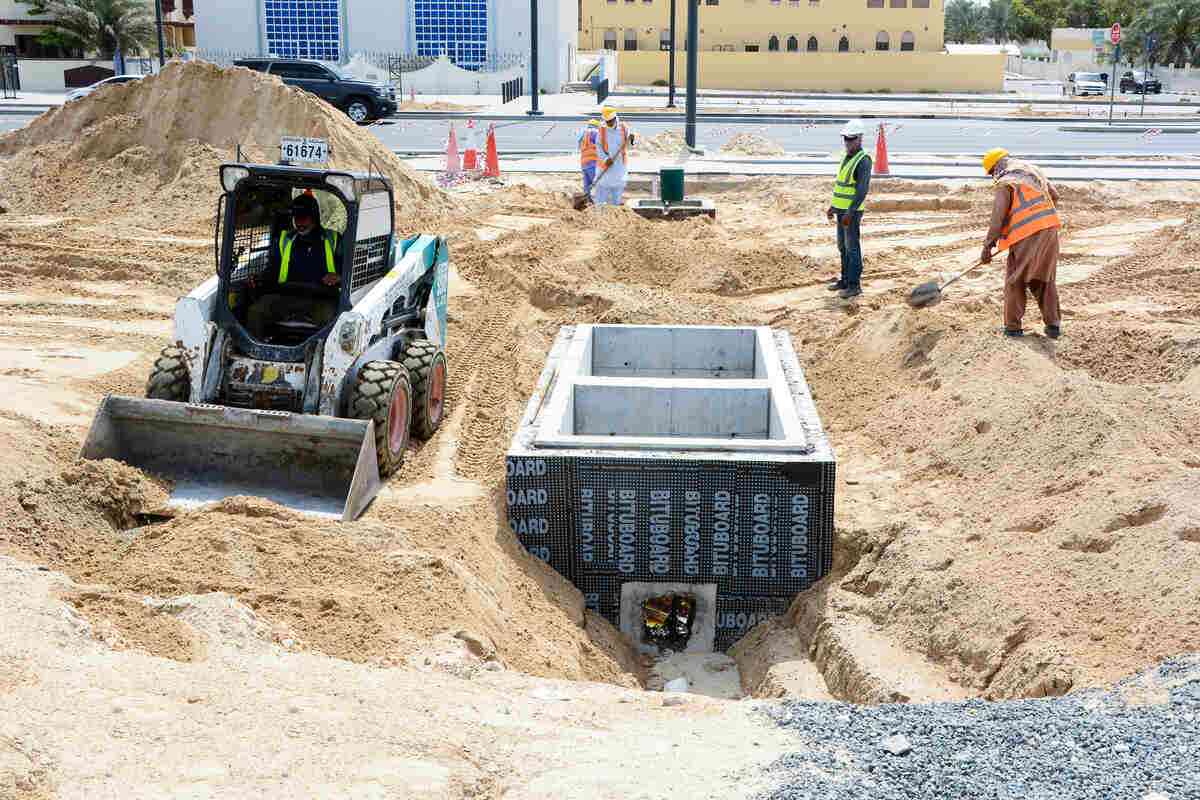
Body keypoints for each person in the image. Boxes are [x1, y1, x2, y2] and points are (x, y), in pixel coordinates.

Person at [979, 148, 1063, 339]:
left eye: (991, 172)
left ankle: (1013, 328)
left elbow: (997, 217)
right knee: (1044, 278)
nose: (993, 176)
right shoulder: (1033, 171)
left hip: (1027, 235)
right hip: (1049, 229)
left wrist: (987, 246)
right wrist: (1040, 218)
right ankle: (1053, 326)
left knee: (1015, 281)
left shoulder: (1006, 181)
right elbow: (1055, 195)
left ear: (996, 167)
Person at [246, 193, 343, 340]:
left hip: (321, 298)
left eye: (304, 217)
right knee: (256, 311)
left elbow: (349, 271)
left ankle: (324, 358)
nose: (299, 222)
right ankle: (256, 352)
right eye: (296, 218)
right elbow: (272, 271)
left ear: (315, 217)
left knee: (330, 319)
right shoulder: (284, 241)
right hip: (285, 296)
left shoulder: (333, 240)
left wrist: (339, 277)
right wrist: (259, 279)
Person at [826, 120, 872, 300]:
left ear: (859, 139)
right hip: (841, 211)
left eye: (851, 139)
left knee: (852, 247)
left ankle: (854, 285)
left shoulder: (863, 160)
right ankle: (844, 280)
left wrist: (850, 212)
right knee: (842, 247)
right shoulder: (847, 158)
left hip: (851, 213)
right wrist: (833, 207)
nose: (847, 142)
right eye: (845, 139)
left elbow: (861, 190)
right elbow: (842, 187)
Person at [592, 106, 636, 207]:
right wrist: (606, 159)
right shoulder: (602, 130)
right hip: (605, 167)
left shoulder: (624, 128)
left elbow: (629, 145)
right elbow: (598, 147)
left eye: (611, 121)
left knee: (617, 193)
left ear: (615, 118)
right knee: (601, 194)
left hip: (619, 166)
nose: (609, 124)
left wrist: (632, 140)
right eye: (607, 122)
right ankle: (598, 214)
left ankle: (615, 214)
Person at [578, 119, 600, 195]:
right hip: (592, 161)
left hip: (584, 162)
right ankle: (599, 202)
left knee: (587, 184)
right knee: (597, 183)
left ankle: (586, 200)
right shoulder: (594, 132)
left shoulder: (583, 133)